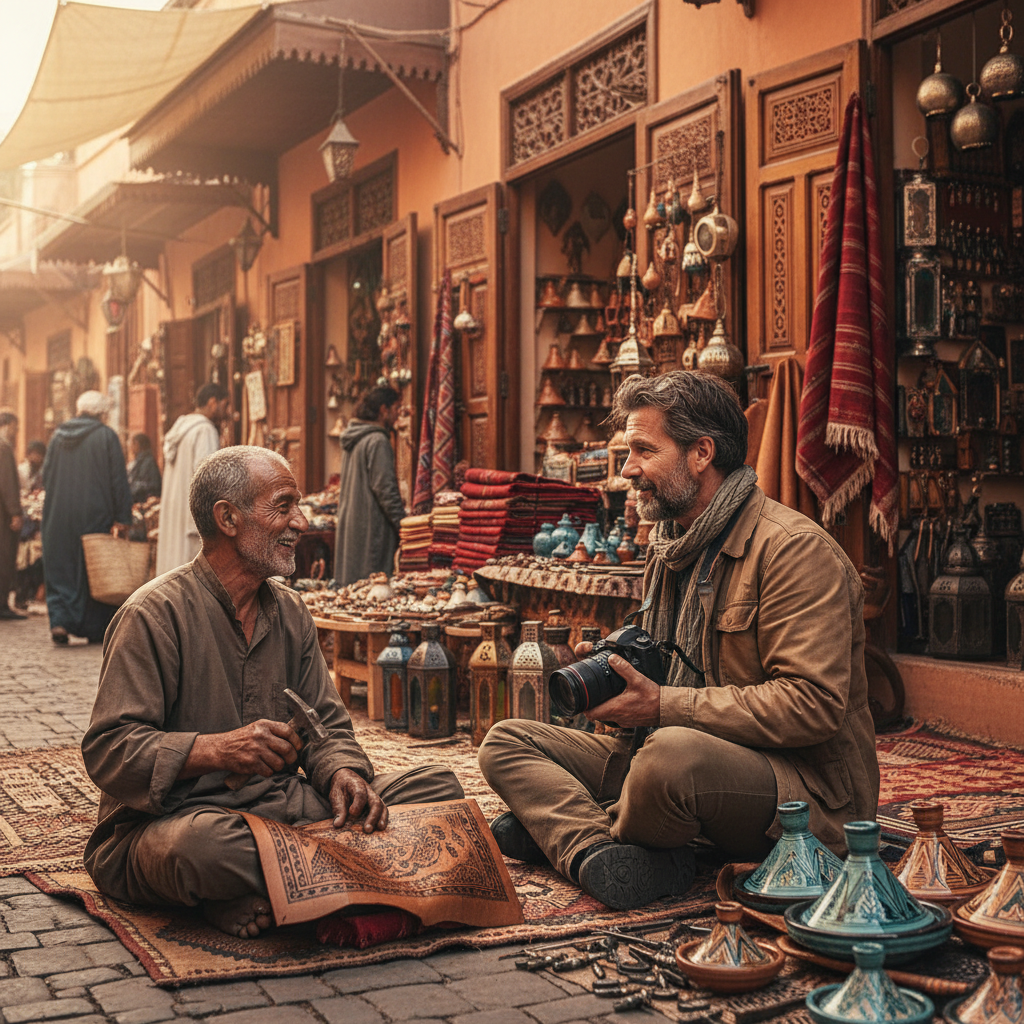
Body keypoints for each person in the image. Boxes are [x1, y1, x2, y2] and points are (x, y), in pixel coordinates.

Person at [479, 372, 879, 911]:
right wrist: (619, 680)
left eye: (644, 450)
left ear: (701, 453)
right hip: (676, 751)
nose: (627, 470)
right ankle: (602, 849)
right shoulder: (671, 547)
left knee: (670, 758)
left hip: (800, 787)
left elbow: (813, 706)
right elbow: (664, 671)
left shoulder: (793, 552)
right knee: (506, 741)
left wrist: (664, 705)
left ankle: (578, 834)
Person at [82, 446, 463, 938]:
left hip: (287, 810)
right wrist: (218, 749)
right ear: (228, 518)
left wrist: (342, 773)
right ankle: (339, 873)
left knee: (439, 791)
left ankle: (281, 885)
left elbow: (326, 723)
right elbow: (109, 750)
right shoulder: (153, 615)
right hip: (184, 821)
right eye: (283, 506)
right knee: (201, 851)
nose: (300, 523)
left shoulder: (290, 611)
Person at [42, 391, 132, 644]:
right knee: (93, 567)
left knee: (62, 565)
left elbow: (46, 476)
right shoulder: (106, 436)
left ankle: (60, 621)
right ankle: (93, 627)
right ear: (102, 413)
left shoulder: (57, 437)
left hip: (58, 513)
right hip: (95, 512)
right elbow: (118, 480)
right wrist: (122, 516)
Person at [333, 384, 406, 585]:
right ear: (384, 410)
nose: (397, 416)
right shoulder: (377, 441)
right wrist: (404, 525)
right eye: (396, 409)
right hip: (371, 530)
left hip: (354, 527)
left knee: (354, 593)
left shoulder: (355, 438)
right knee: (375, 590)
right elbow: (385, 489)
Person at [155, 383, 228, 575]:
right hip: (192, 515)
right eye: (224, 404)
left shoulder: (181, 429)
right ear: (213, 403)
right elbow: (207, 476)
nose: (226, 411)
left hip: (175, 510)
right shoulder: (204, 430)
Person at [0, 409, 25, 620]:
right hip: (3, 516)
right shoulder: (3, 447)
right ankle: (2, 604)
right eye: (16, 427)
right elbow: (7, 483)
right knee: (5, 557)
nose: (16, 432)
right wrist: (15, 512)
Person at [126, 433, 162, 504]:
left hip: (144, 503)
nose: (131, 448)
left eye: (132, 444)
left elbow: (153, 485)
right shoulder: (137, 462)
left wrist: (132, 486)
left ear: (137, 444)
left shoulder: (149, 462)